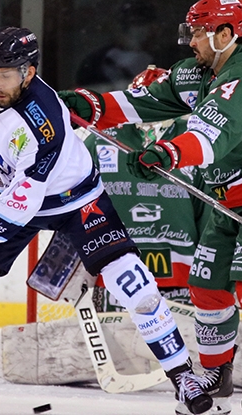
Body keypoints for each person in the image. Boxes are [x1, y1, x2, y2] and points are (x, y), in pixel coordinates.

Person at [0, 25, 213, 415]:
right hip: (10, 189)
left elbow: (25, 199)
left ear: (29, 72)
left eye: (7, 75)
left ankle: (182, 376)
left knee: (134, 282)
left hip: (75, 200)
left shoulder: (41, 119)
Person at [60, 0, 242, 415]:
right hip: (228, 194)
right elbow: (140, 103)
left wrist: (166, 153)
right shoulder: (196, 72)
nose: (192, 41)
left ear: (226, 34)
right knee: (207, 283)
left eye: (200, 32)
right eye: (191, 31)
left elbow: (208, 138)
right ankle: (216, 375)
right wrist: (88, 105)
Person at [82, 67, 210, 312]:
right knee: (117, 350)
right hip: (115, 275)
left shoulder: (193, 141)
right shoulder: (100, 141)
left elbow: (210, 217)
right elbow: (76, 203)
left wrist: (213, 275)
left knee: (184, 349)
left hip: (184, 277)